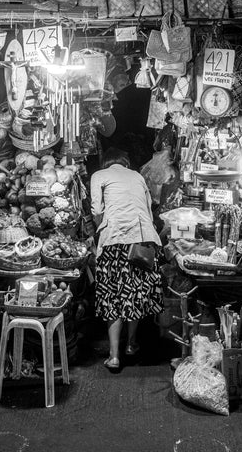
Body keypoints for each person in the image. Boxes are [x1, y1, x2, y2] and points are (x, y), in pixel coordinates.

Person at [90, 146, 163, 371]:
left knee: (113, 296)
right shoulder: (137, 176)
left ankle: (113, 356)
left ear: (106, 162)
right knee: (135, 293)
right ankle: (131, 345)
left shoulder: (99, 175)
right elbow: (149, 213)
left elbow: (95, 210)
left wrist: (99, 230)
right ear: (125, 162)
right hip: (141, 239)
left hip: (113, 239)